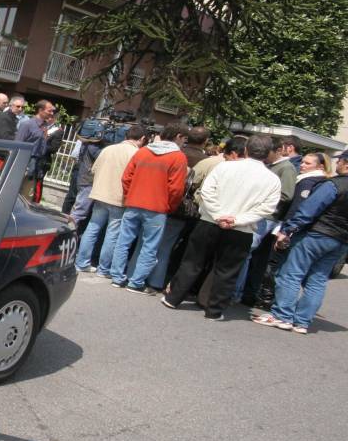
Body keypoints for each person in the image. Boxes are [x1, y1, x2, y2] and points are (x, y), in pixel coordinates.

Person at [161, 135, 281, 321]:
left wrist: (218, 214)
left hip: (210, 221)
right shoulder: (272, 179)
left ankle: (173, 298)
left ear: (246, 149)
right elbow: (266, 208)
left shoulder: (225, 166)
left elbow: (207, 192)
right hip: (242, 230)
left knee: (193, 261)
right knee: (227, 271)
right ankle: (214, 310)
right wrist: (236, 220)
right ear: (268, 154)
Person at [254, 150, 348, 334]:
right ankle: (302, 321)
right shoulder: (333, 183)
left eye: (341, 161)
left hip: (318, 234)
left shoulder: (334, 184)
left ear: (346, 163)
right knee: (318, 279)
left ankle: (282, 316)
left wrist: (288, 229)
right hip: (341, 240)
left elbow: (309, 209)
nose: (337, 164)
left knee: (291, 274)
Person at [109, 124, 190, 294]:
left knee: (123, 241)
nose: (185, 142)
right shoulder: (178, 157)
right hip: (157, 207)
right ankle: (136, 282)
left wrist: (129, 195)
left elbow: (126, 178)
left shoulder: (143, 151)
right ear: (178, 136)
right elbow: (176, 189)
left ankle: (116, 277)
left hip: (134, 203)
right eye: (184, 139)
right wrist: (170, 206)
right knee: (149, 246)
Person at [75, 125, 147, 275]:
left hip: (99, 193)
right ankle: (103, 269)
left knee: (92, 228)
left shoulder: (108, 149)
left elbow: (93, 170)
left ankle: (81, 262)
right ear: (142, 139)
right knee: (112, 234)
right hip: (119, 198)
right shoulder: (137, 154)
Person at [238, 138, 297, 306]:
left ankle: (238, 291)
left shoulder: (286, 168)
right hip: (258, 214)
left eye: (268, 152)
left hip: (267, 217)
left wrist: (262, 196)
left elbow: (286, 195)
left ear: (278, 151)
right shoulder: (270, 166)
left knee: (247, 252)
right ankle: (241, 291)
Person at [16, 100, 55, 199]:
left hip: (37, 164)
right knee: (16, 192)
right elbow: (18, 144)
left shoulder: (45, 126)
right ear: (41, 110)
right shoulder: (27, 124)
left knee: (27, 195)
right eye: (49, 111)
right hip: (25, 163)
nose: (52, 113)